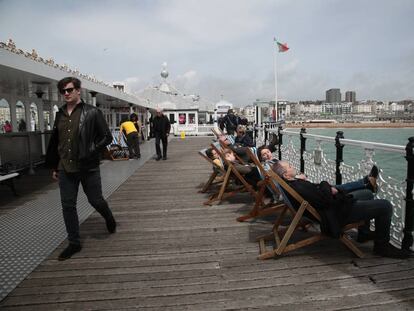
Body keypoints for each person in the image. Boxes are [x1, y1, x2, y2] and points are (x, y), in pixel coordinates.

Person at [272, 160, 408, 259]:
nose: (292, 166)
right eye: (289, 166)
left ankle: (364, 233)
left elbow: (318, 195)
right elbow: (324, 200)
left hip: (333, 208)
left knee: (367, 193)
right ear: (286, 175)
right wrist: (326, 186)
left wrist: (319, 186)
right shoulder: (298, 186)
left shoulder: (293, 184)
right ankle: (382, 247)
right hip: (336, 213)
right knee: (385, 206)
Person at [45, 77, 116, 261]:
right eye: (63, 91)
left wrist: (91, 151)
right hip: (65, 167)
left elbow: (106, 137)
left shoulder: (92, 112)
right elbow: (56, 141)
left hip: (88, 166)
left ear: (78, 90)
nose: (66, 94)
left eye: (69, 90)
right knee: (68, 206)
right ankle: (74, 243)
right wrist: (54, 165)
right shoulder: (59, 114)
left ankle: (108, 217)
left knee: (96, 200)